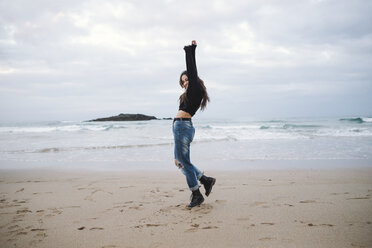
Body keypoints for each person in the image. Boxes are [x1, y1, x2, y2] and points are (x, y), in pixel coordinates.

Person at [172, 40, 216, 209]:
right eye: (182, 82)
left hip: (183, 127)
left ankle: (197, 194)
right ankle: (205, 180)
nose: (185, 83)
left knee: (186, 163)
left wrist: (190, 51)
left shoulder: (196, 89)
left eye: (186, 79)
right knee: (179, 162)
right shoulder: (187, 95)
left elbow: (192, 69)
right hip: (179, 127)